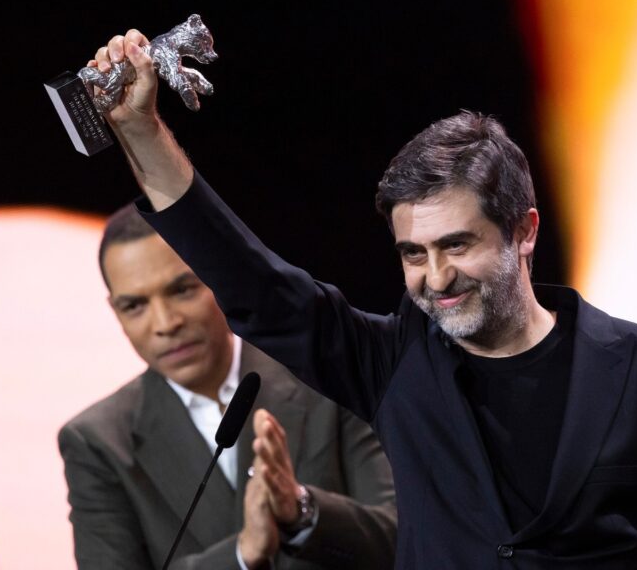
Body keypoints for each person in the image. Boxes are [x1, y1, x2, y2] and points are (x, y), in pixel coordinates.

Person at [85, 29, 637, 569]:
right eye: (413, 253)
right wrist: (141, 132)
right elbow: (253, 286)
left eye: (457, 245)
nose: (436, 277)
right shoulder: (393, 363)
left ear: (524, 231)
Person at [58, 205, 397, 570]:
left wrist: (302, 510)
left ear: (218, 279)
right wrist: (241, 553)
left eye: (182, 289)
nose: (165, 323)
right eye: (135, 305)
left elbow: (406, 532)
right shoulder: (98, 442)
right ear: (116, 312)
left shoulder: (322, 375)